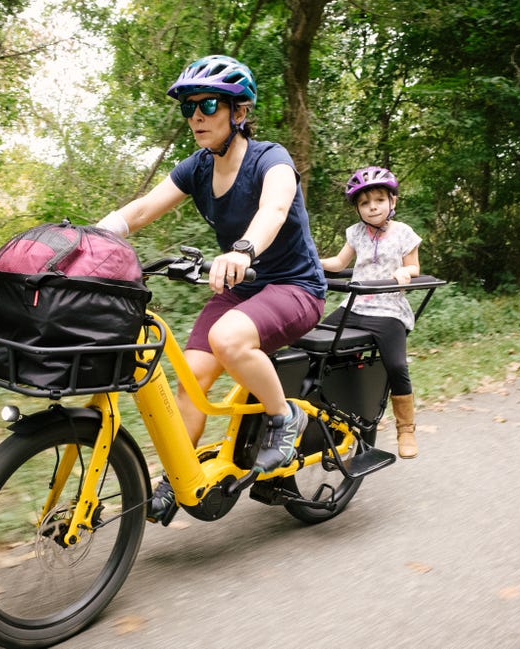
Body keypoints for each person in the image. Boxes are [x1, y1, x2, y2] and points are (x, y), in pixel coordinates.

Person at [96, 54, 327, 522]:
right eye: (189, 108)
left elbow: (275, 208)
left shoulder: (271, 158)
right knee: (191, 378)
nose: (196, 116)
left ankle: (286, 419)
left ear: (238, 112)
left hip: (295, 286)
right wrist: (87, 239)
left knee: (227, 338)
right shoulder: (197, 167)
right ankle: (176, 479)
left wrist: (243, 250)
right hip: (243, 290)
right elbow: (140, 211)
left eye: (208, 105)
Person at [319, 166, 422, 458]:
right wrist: (310, 259)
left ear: (393, 202)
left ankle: (406, 429)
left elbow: (414, 267)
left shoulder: (404, 232)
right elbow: (339, 264)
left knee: (397, 365)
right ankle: (323, 407)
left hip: (389, 309)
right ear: (358, 208)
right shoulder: (355, 233)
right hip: (355, 305)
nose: (372, 206)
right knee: (315, 344)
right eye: (364, 202)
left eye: (378, 199)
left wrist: (405, 271)